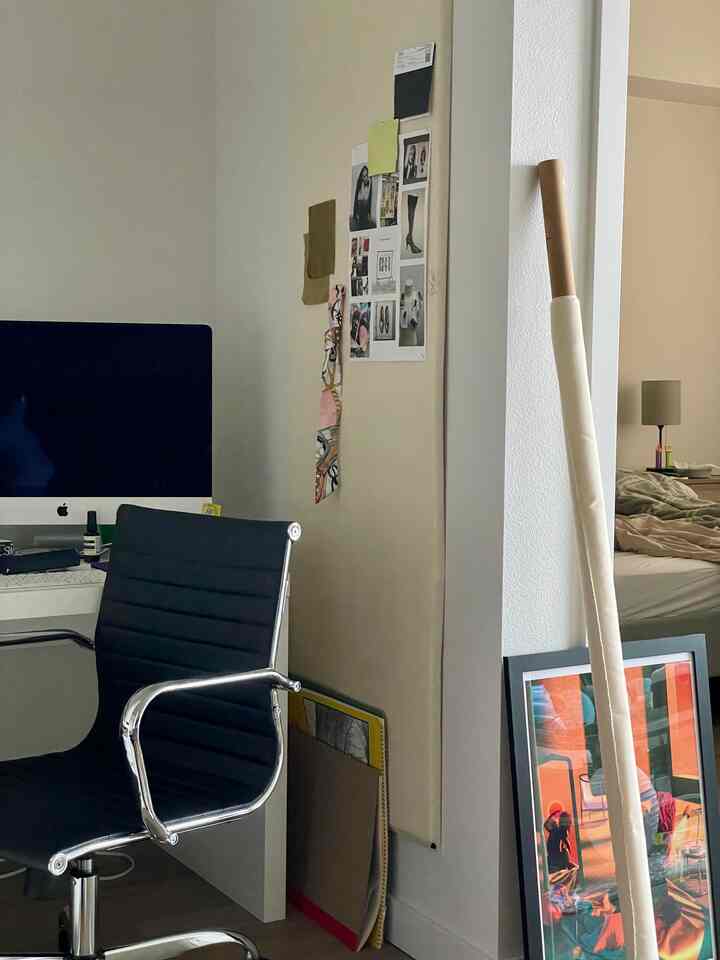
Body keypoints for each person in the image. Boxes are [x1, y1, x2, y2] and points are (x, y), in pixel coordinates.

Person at [351, 165, 375, 230]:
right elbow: (359, 198)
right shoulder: (360, 184)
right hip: (360, 207)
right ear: (361, 177)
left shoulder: (370, 183)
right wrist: (356, 213)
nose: (366, 177)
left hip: (366, 208)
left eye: (367, 175)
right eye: (364, 176)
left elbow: (368, 197)